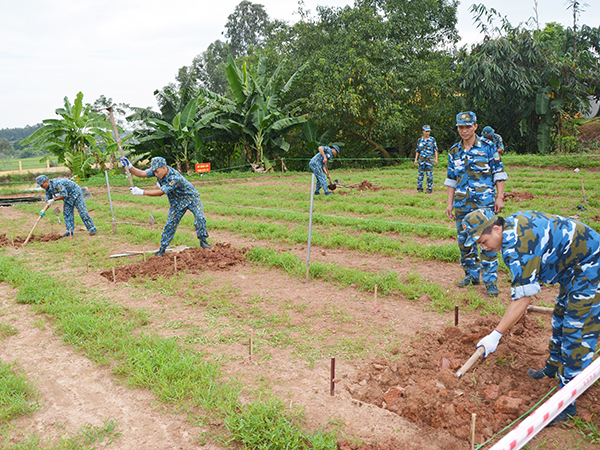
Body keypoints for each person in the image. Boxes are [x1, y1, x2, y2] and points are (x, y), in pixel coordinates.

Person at [462, 208, 600, 425]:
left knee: (577, 330)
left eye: (483, 240)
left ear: (496, 228)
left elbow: (523, 300)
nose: (484, 247)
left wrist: (495, 335)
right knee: (561, 315)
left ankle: (568, 400)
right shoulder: (511, 227)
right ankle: (553, 367)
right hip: (572, 268)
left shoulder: (518, 246)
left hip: (591, 265)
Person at [444, 111, 507, 297]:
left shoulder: (488, 147)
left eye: (468, 126)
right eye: (461, 127)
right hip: (462, 204)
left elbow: (499, 174)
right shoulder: (454, 151)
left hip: (484, 203)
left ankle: (490, 281)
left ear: (475, 127)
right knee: (464, 241)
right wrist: (449, 204)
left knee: (488, 242)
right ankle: (472, 275)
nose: (464, 130)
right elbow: (451, 180)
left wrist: (499, 197)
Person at [120, 156, 211, 256]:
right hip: (176, 202)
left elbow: (160, 193)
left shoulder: (175, 178)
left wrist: (142, 192)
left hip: (191, 198)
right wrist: (130, 166)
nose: (155, 174)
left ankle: (203, 241)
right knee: (170, 224)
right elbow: (142, 174)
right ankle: (162, 248)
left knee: (199, 217)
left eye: (157, 171)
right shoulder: (157, 170)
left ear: (164, 167)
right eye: (154, 171)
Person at [413, 125, 438, 194]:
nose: (427, 133)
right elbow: (418, 151)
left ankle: (429, 188)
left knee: (429, 174)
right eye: (426, 131)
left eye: (429, 131)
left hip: (429, 160)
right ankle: (419, 188)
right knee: (420, 174)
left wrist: (436, 159)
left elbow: (435, 150)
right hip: (421, 160)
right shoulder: (420, 140)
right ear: (423, 131)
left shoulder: (432, 140)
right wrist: (415, 159)